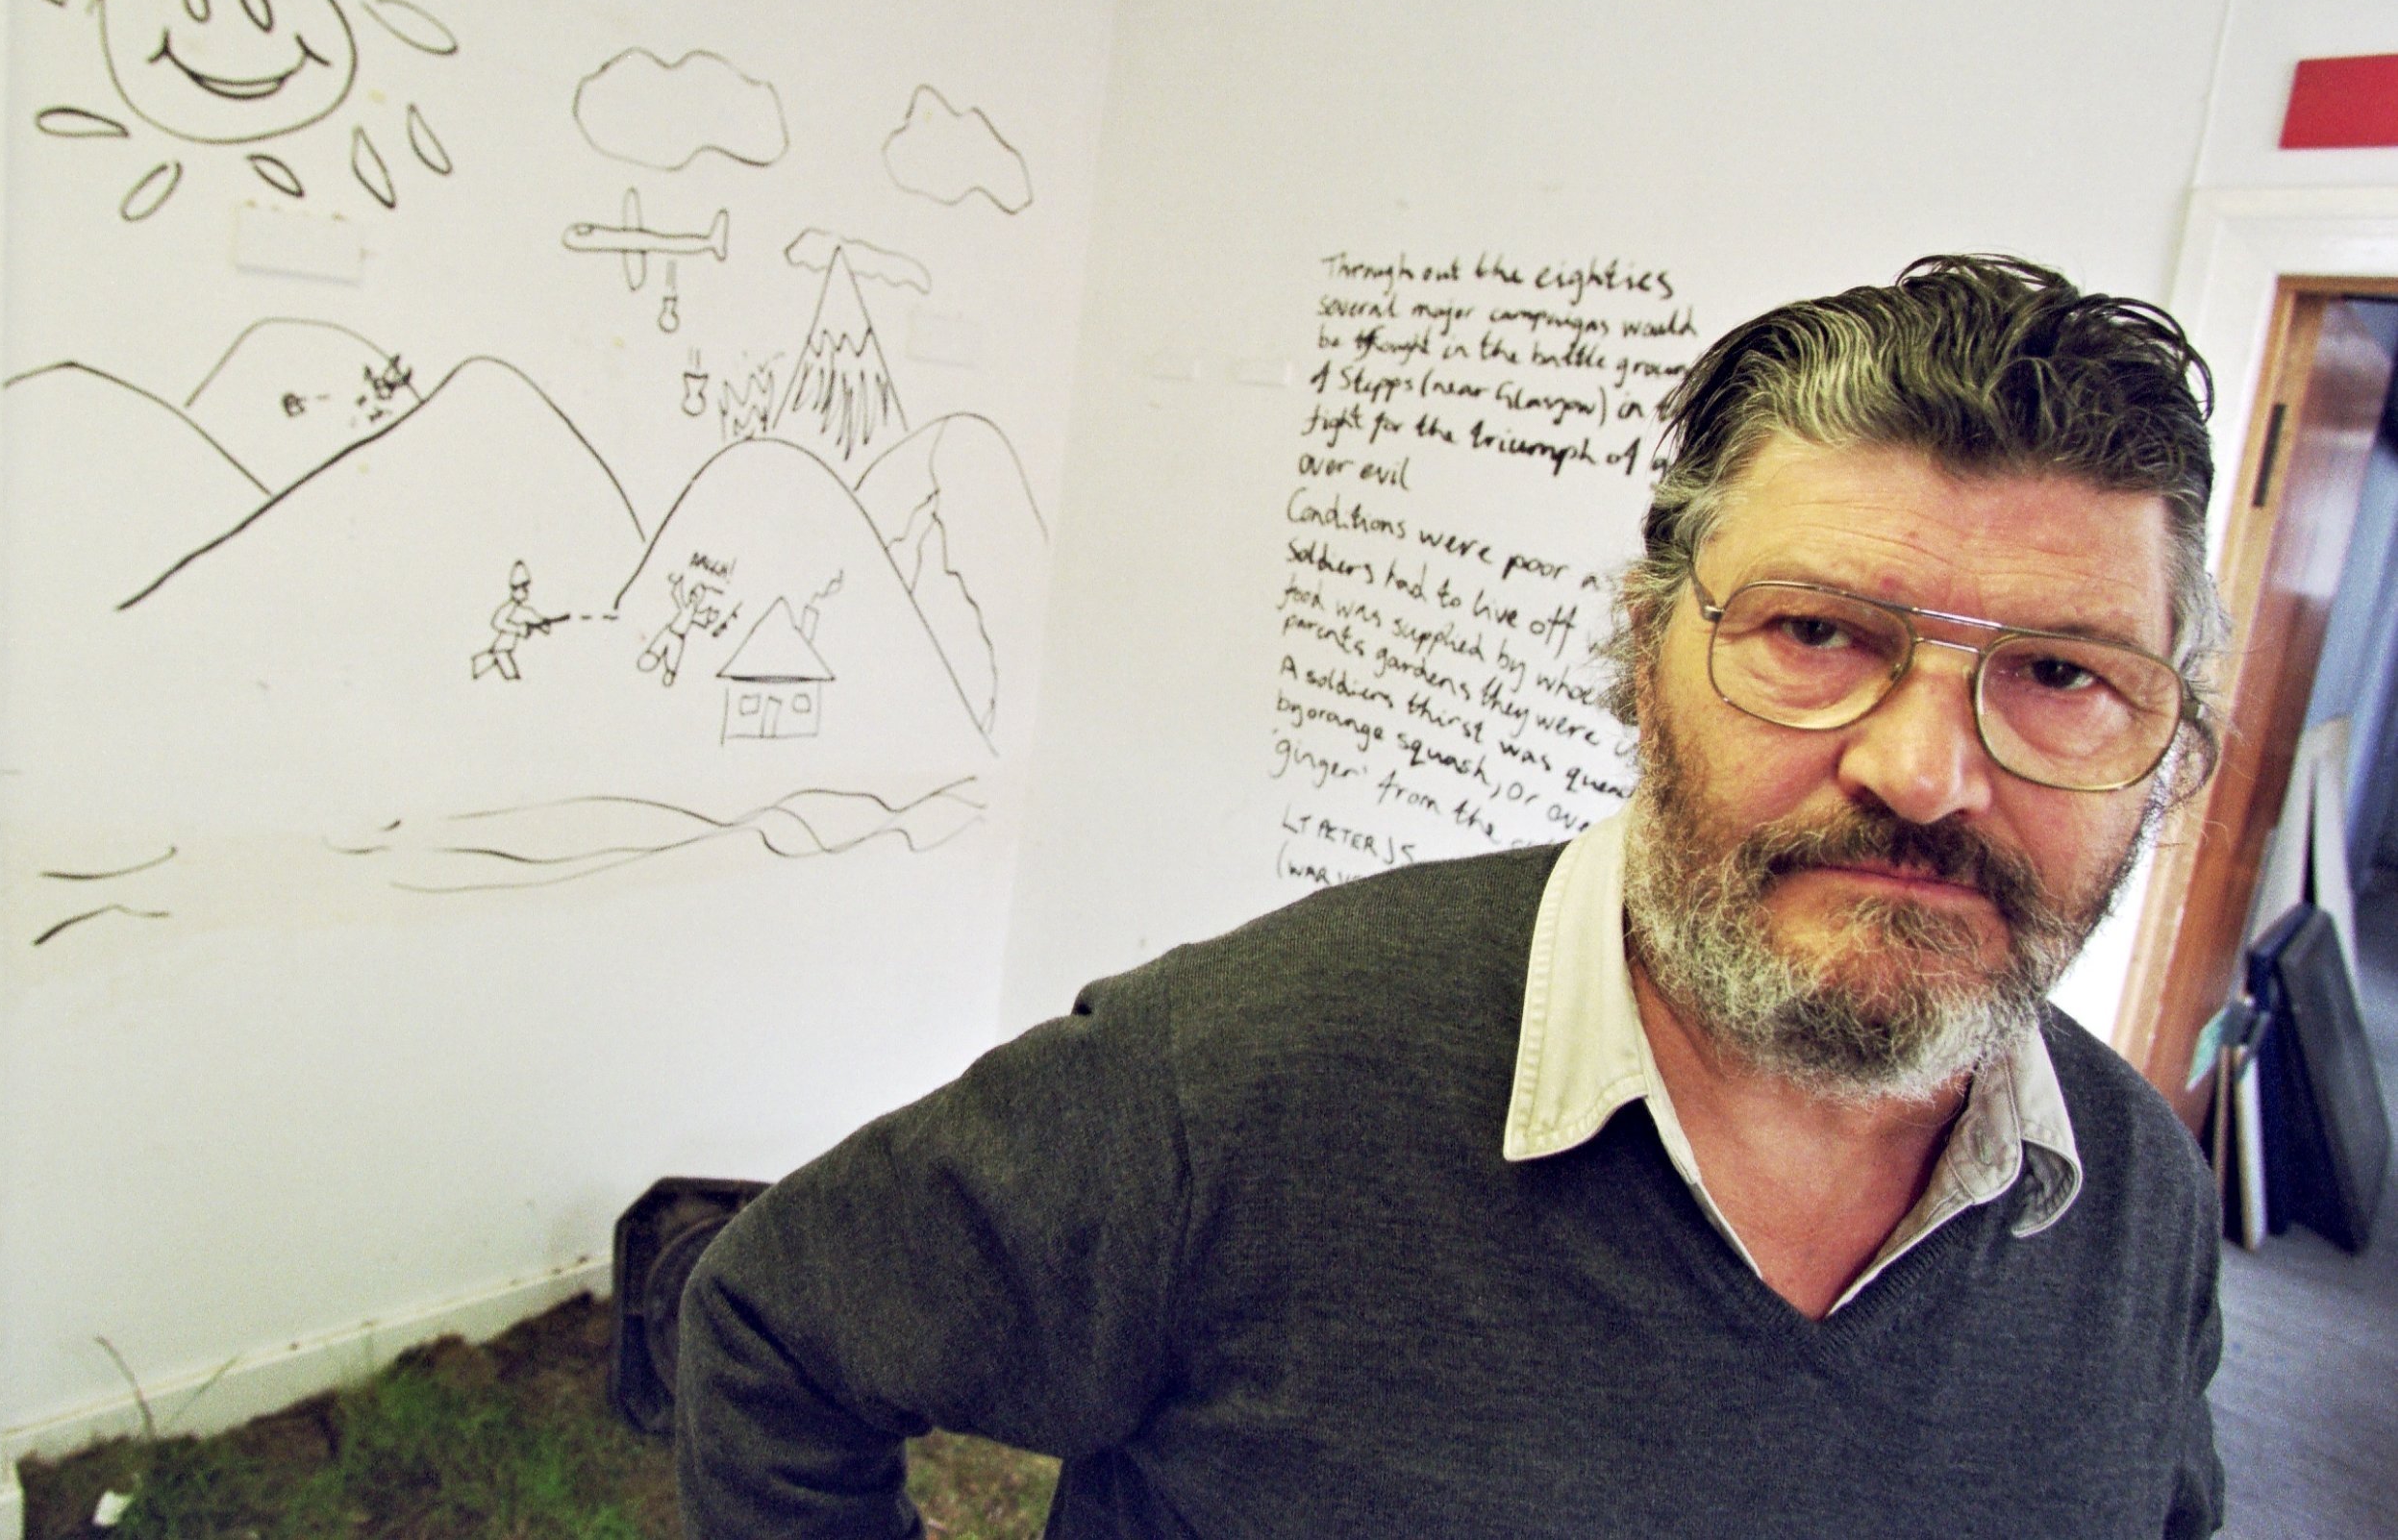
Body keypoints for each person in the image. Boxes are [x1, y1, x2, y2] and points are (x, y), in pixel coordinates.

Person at [674, 255, 2228, 1538]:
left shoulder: (2143, 1201)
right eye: (1817, 630)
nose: (1922, 769)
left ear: (2166, 739)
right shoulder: (1230, 1088)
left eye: (2058, 673)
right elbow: (773, 1334)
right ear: (1643, 661)